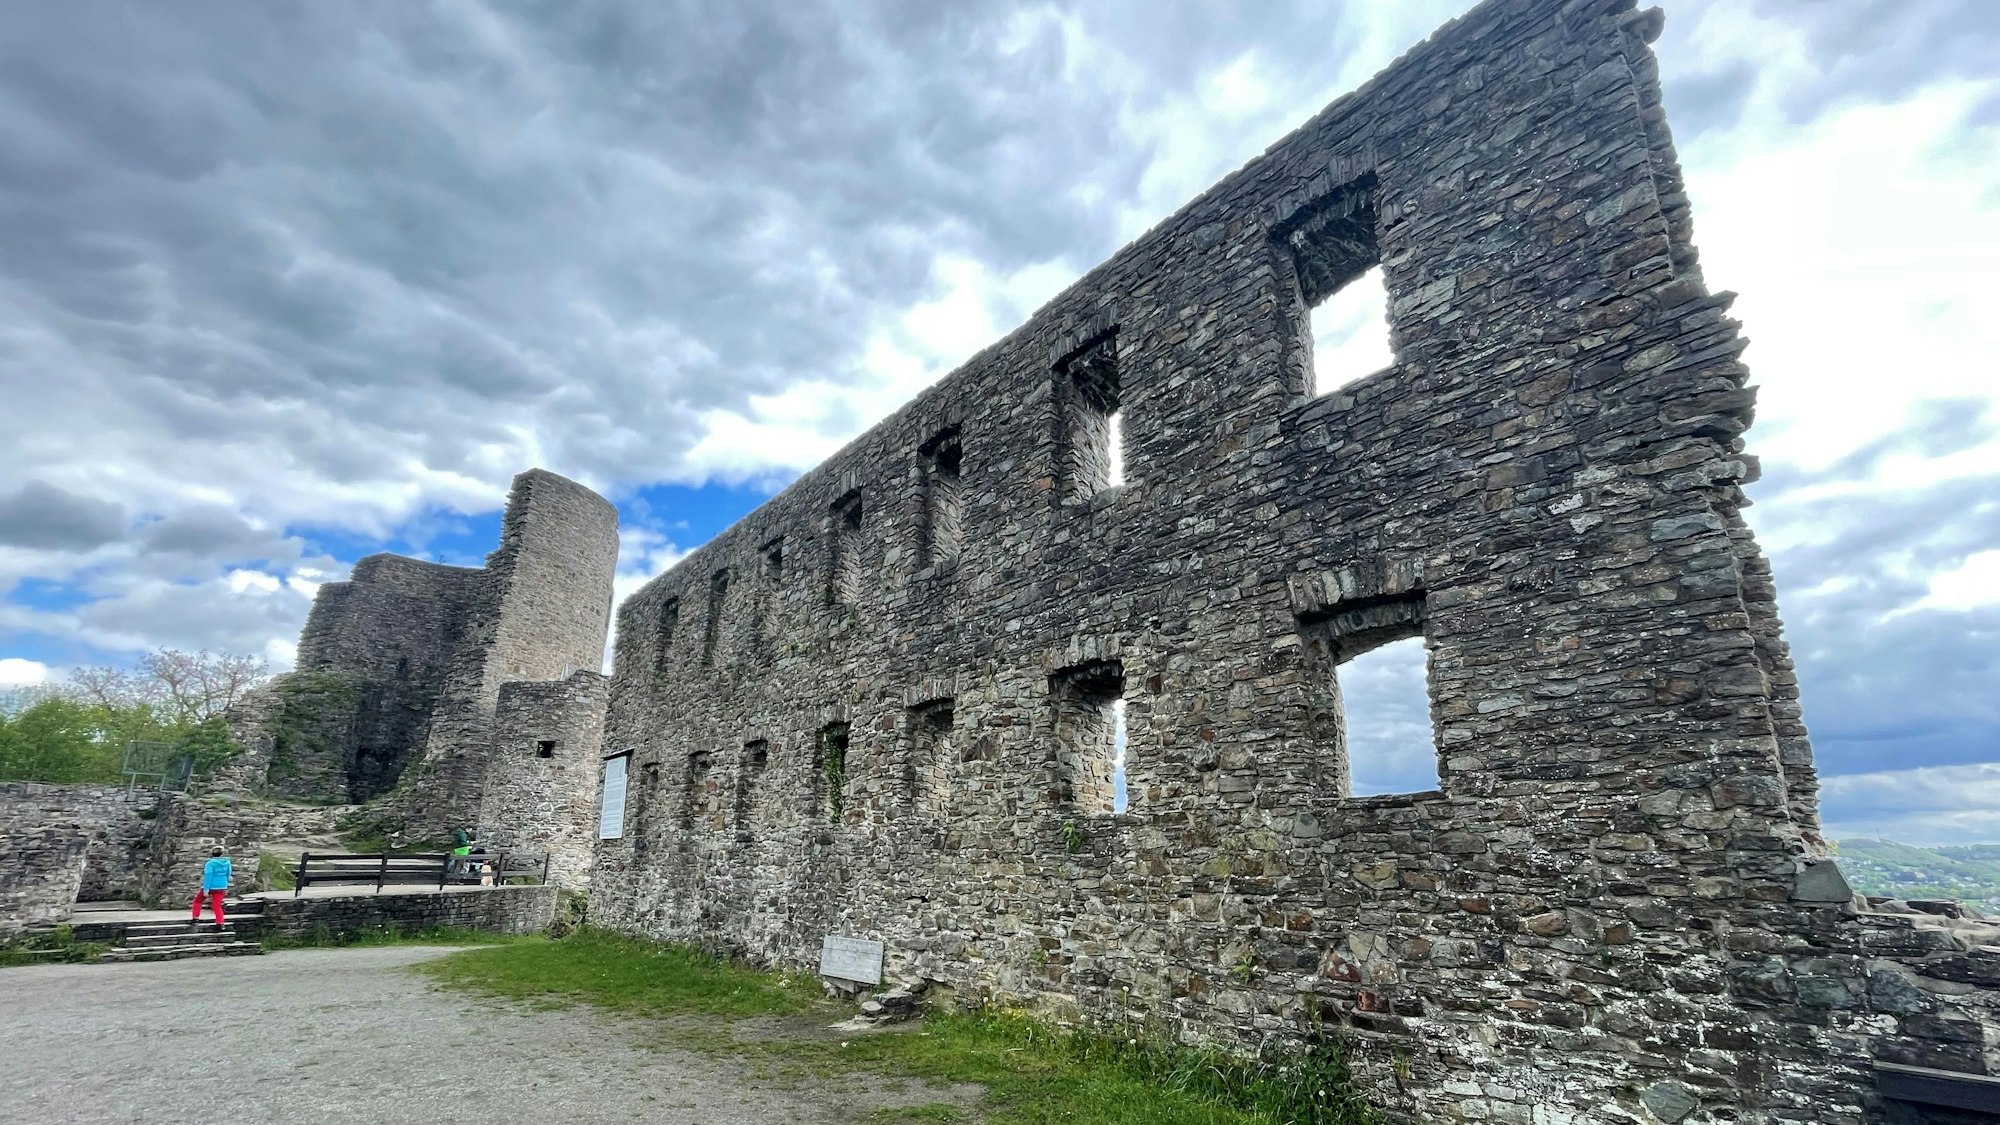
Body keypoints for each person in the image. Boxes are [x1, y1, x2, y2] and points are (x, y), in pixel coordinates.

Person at [189, 847, 231, 927]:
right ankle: (220, 923)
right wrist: (225, 884)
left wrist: (206, 889)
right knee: (217, 905)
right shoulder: (227, 862)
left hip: (211, 886)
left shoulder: (210, 863)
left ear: (212, 853)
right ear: (222, 853)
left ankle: (195, 918)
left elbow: (208, 876)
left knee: (197, 901)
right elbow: (228, 874)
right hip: (221, 886)